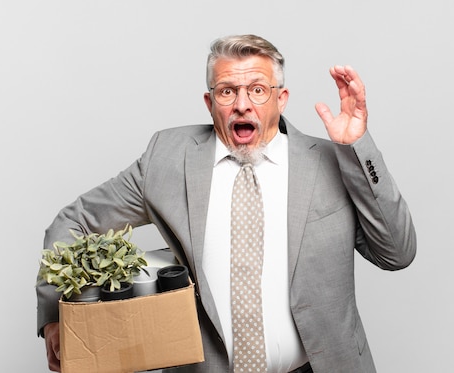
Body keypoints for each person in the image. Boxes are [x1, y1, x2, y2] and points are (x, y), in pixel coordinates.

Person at [37, 34, 416, 373]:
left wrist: (356, 148)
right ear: (210, 102)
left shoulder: (330, 160)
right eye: (227, 91)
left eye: (257, 90)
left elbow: (396, 253)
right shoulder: (166, 160)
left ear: (281, 99)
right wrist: (58, 315)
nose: (242, 105)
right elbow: (76, 220)